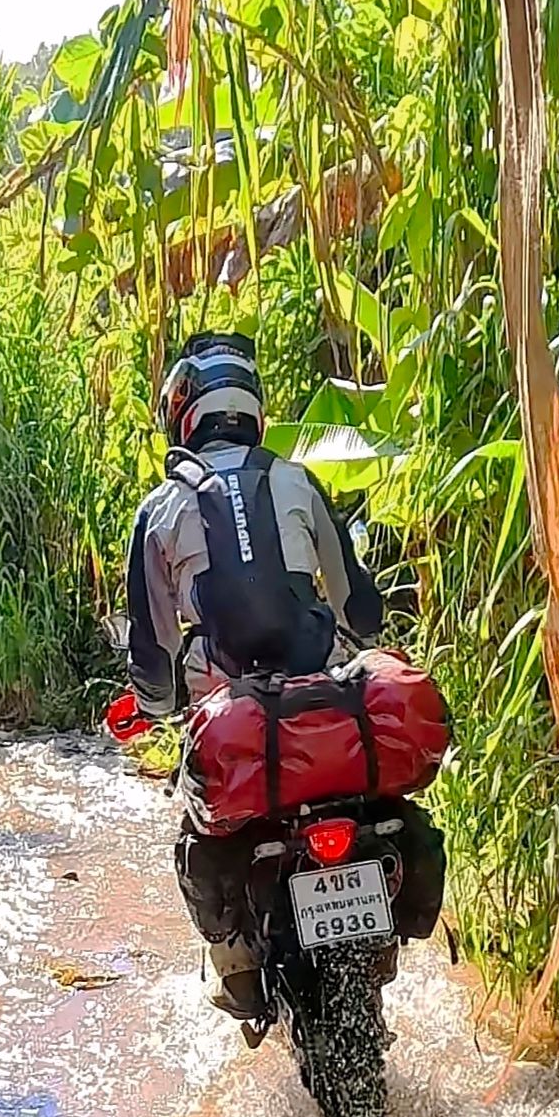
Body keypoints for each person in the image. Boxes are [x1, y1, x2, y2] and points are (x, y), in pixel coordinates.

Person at [125, 331, 384, 1029]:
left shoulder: (161, 508)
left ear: (184, 410)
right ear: (254, 409)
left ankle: (236, 960)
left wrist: (156, 707)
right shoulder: (301, 481)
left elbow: (151, 654)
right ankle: (379, 930)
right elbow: (360, 606)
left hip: (232, 726)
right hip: (324, 709)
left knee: (196, 826)